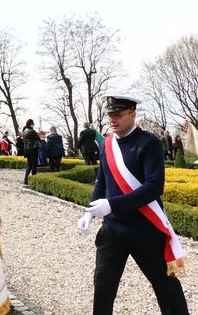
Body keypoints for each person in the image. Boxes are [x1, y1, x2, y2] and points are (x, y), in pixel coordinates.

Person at [77, 95, 188, 315]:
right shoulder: (107, 144)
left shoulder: (149, 142)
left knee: (166, 286)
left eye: (117, 114)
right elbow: (102, 180)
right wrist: (89, 212)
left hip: (144, 227)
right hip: (112, 229)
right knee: (103, 286)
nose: (112, 119)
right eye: (110, 115)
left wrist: (111, 205)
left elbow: (154, 187)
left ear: (132, 114)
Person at [22, 119, 39, 184]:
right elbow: (38, 139)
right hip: (33, 150)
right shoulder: (32, 131)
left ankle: (25, 180)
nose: (33, 125)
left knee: (29, 165)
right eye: (33, 124)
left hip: (27, 150)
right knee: (34, 166)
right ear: (31, 124)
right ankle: (34, 181)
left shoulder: (24, 131)